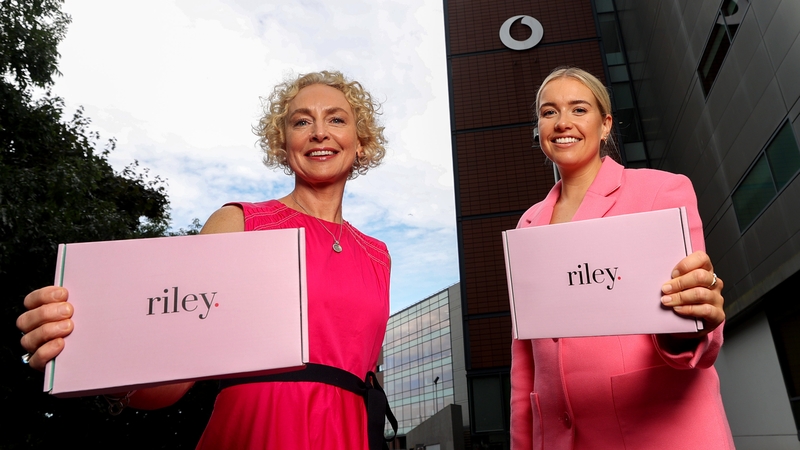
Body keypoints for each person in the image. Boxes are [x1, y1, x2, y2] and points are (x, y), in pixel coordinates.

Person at [17, 71, 394, 449]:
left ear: (361, 143)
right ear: (283, 144)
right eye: (301, 122)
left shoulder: (377, 256)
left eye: (336, 119)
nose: (319, 132)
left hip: (351, 436)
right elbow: (173, 378)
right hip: (255, 432)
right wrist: (88, 351)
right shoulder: (239, 223)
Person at [510, 67, 734, 449]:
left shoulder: (661, 192)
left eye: (579, 109)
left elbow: (694, 312)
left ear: (605, 125)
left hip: (660, 433)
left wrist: (695, 315)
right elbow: (525, 359)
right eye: (549, 112)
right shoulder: (527, 224)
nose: (562, 122)